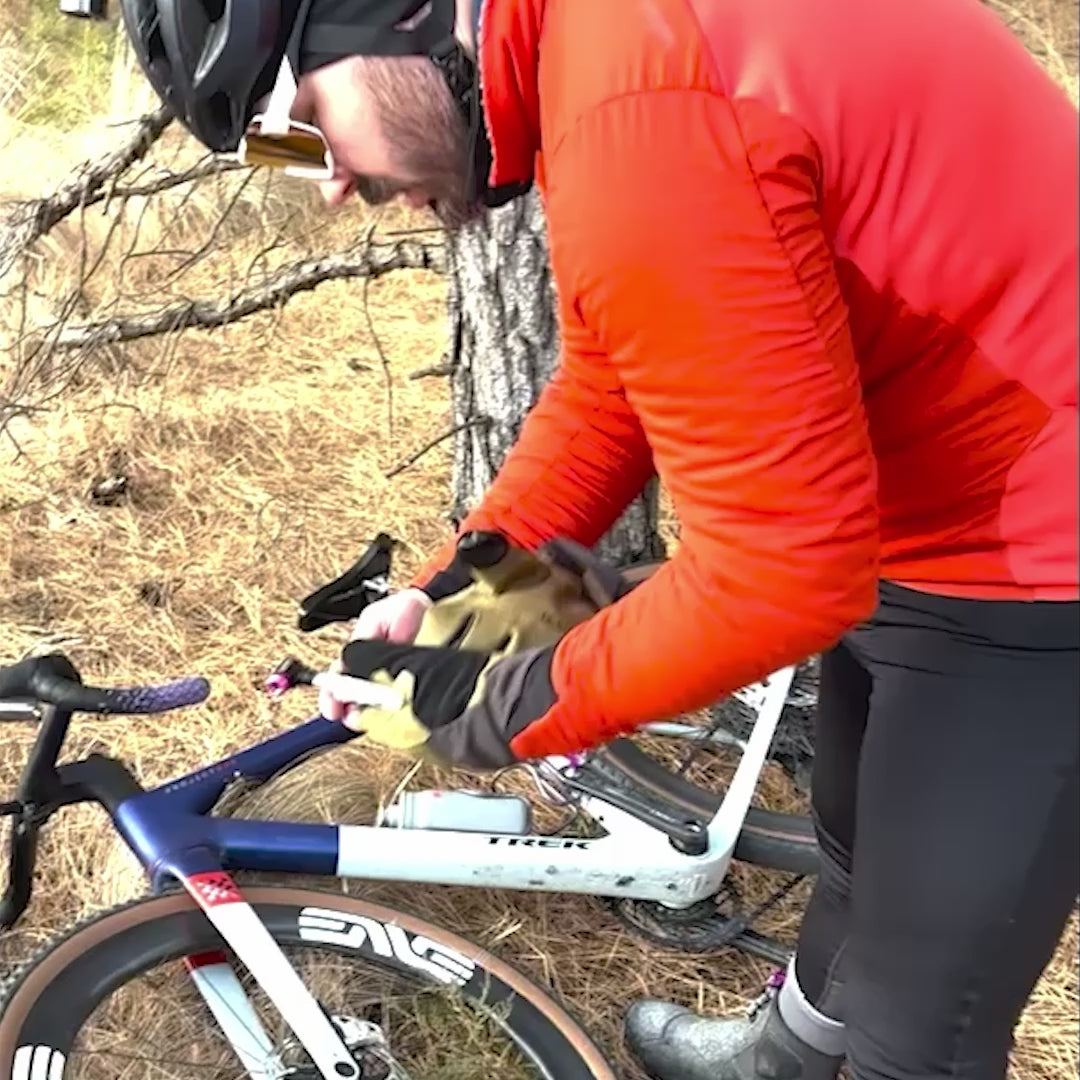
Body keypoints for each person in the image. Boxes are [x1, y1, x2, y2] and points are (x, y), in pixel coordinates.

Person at [118, 0, 1079, 1077]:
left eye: (298, 122)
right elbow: (612, 387)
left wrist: (499, 702)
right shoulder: (607, 48)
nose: (329, 181)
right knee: (860, 846)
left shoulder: (645, 104)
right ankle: (786, 1061)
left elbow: (781, 575)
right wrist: (461, 598)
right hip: (956, 493)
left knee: (922, 1030)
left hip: (1037, 557)